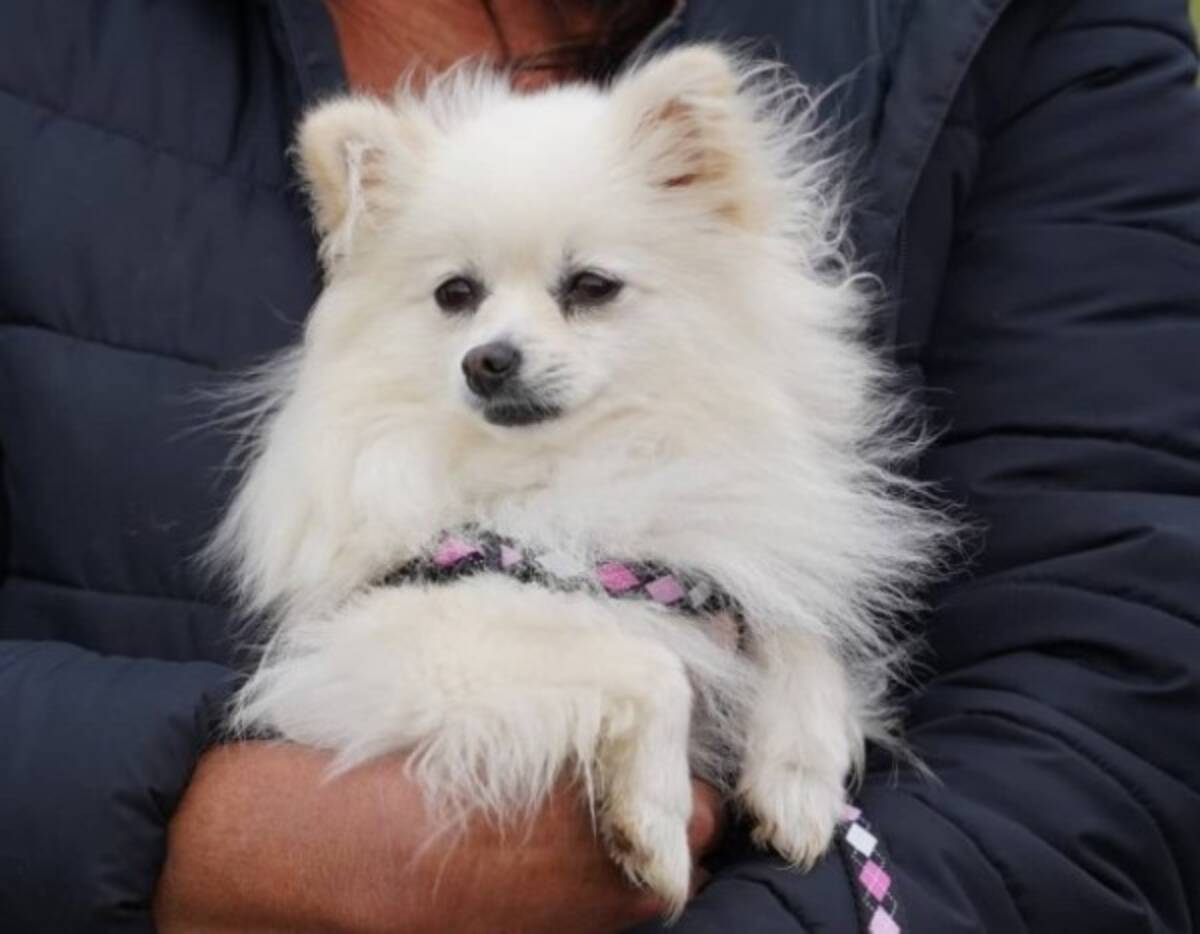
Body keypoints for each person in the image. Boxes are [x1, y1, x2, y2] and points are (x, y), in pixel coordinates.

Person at [1, 0, 1198, 931]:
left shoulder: (1036, 41)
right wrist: (205, 837)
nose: (499, 343)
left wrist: (794, 692)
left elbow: (1110, 698)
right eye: (459, 295)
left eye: (587, 288)